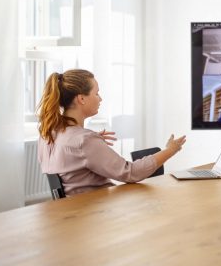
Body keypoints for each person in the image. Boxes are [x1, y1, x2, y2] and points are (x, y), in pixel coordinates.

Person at [37, 69, 187, 196]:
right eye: (96, 93)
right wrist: (170, 150)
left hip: (74, 214)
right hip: (97, 215)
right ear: (81, 99)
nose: (100, 99)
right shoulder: (84, 141)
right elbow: (131, 173)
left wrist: (92, 145)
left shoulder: (48, 134)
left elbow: (71, 161)